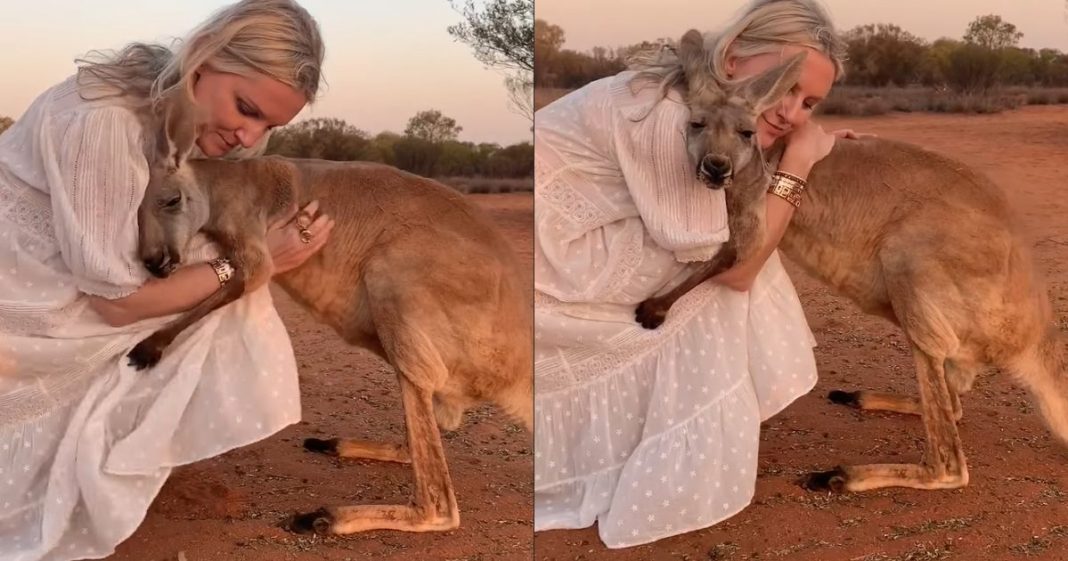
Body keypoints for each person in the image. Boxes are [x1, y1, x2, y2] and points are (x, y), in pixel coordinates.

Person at [0, 1, 337, 558]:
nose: (248, 135)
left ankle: (132, 443)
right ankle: (112, 448)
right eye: (245, 107)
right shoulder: (105, 123)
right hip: (24, 292)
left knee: (216, 265)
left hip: (63, 269)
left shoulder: (170, 103)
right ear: (202, 60)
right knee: (232, 287)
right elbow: (117, 303)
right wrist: (252, 265)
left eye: (269, 125)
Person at [533, 0, 853, 548]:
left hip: (563, 244)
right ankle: (674, 453)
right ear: (731, 59)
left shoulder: (696, 96)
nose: (791, 111)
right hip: (554, 272)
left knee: (742, 234)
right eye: (783, 84)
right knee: (731, 264)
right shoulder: (668, 116)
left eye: (809, 103)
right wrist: (801, 160)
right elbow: (740, 264)